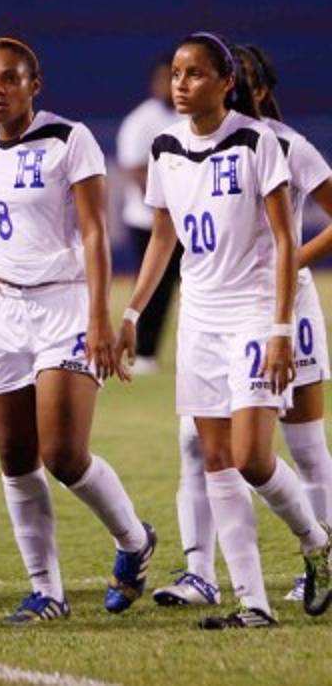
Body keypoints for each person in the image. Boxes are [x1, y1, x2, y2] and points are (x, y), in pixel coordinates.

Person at [117, 32, 332, 629]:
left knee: (253, 457)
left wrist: (282, 329)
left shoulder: (257, 141)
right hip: (200, 318)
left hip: (253, 316)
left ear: (225, 82)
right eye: (176, 74)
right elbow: (163, 236)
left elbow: (286, 239)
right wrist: (132, 314)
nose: (181, 84)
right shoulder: (164, 146)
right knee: (214, 458)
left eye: (194, 73)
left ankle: (317, 541)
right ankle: (252, 602)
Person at [0, 37, 155, 623]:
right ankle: (46, 590)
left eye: (10, 78)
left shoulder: (69, 139)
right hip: (1, 312)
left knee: (63, 454)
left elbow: (96, 231)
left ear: (35, 84)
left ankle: (134, 540)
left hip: (64, 307)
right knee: (14, 455)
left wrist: (100, 316)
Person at [116, 55, 183, 374]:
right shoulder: (141, 121)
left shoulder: (196, 117)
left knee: (188, 284)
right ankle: (142, 351)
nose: (170, 85)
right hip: (147, 219)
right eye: (165, 78)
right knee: (155, 284)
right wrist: (177, 201)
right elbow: (136, 171)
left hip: (189, 220)